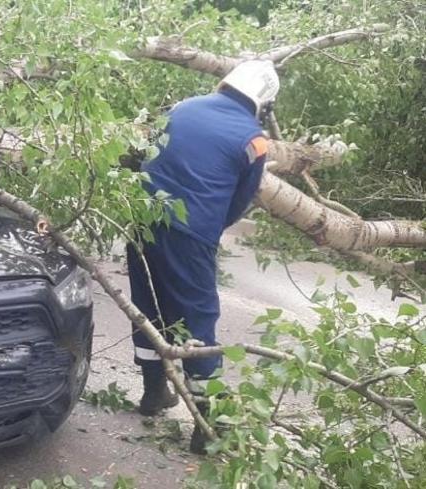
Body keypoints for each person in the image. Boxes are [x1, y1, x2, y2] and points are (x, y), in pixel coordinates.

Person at [126, 60, 280, 454]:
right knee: (197, 319)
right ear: (263, 102)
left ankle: (153, 393)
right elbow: (239, 203)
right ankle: (207, 424)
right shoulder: (254, 140)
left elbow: (145, 153)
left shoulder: (183, 106)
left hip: (140, 216)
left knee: (148, 306)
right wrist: (207, 230)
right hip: (190, 233)